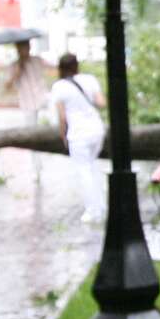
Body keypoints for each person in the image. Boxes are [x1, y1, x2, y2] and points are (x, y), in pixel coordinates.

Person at [49, 52, 106, 223]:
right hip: (97, 130)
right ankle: (101, 206)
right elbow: (101, 103)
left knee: (84, 172)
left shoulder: (59, 87)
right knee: (93, 167)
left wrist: (63, 136)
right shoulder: (89, 79)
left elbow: (62, 117)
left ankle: (93, 211)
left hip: (78, 134)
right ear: (77, 66)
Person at [9, 37, 49, 126]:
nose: (24, 50)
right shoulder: (13, 65)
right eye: (21, 47)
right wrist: (18, 69)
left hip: (42, 96)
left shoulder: (37, 60)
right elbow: (8, 85)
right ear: (17, 49)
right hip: (27, 101)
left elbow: (50, 68)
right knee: (31, 128)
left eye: (26, 46)